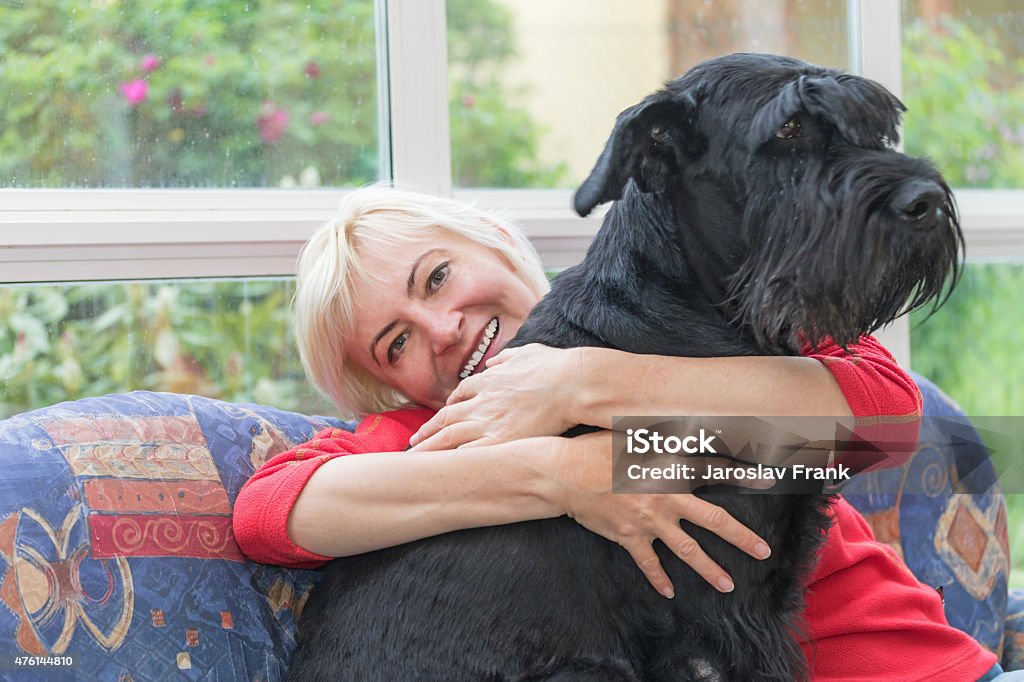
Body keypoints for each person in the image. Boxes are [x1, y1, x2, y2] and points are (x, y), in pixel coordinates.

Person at [233, 186, 1010, 681]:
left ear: (494, 243)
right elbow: (273, 512)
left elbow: (881, 424)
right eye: (394, 343)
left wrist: (584, 386)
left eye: (437, 277)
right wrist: (562, 473)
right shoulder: (436, 436)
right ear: (388, 382)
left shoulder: (696, 308)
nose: (439, 329)